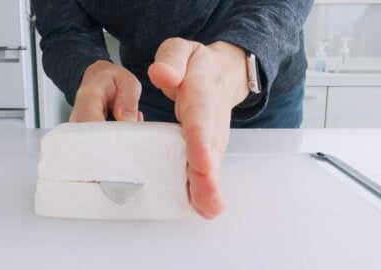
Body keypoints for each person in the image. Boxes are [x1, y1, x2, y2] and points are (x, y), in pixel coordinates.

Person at [35, 0, 314, 219]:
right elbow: (63, 31)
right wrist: (89, 69)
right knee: (165, 223)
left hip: (261, 76)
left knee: (269, 215)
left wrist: (236, 60)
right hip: (152, 90)